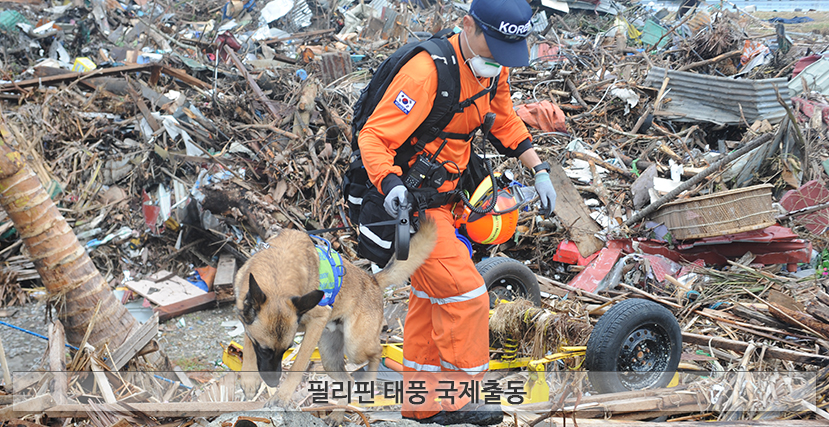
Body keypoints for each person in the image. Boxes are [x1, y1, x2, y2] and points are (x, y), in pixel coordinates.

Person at [357, 0, 556, 424]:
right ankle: (461, 401)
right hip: (411, 212)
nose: (498, 61)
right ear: (467, 25)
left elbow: (503, 121)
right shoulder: (427, 72)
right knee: (466, 294)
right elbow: (374, 136)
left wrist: (538, 169)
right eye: (493, 49)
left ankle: (423, 405)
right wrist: (390, 183)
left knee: (433, 298)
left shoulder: (495, 67)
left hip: (448, 203)